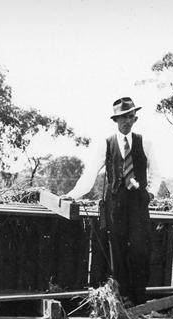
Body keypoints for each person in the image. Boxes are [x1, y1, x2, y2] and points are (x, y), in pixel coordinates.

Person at [64, 97, 160, 304]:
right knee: (117, 250)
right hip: (115, 204)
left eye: (131, 117)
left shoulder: (145, 142)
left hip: (138, 204)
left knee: (140, 249)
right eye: (123, 117)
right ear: (116, 120)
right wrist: (73, 194)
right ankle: (121, 297)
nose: (128, 121)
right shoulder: (106, 143)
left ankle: (139, 298)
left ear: (135, 118)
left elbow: (156, 173)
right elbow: (90, 174)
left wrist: (150, 193)